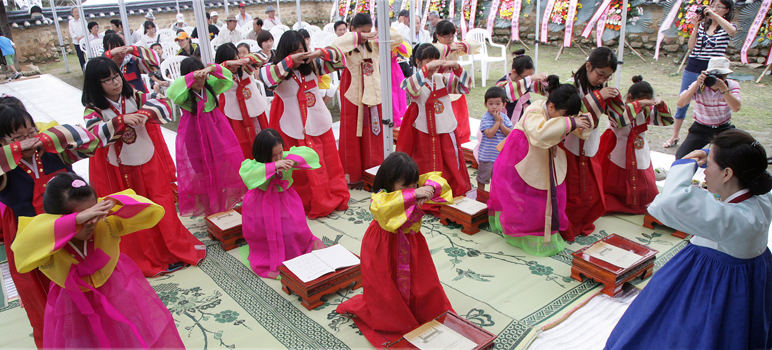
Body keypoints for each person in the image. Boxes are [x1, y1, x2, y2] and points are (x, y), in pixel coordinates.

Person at [604, 129, 772, 350]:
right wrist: (708, 152)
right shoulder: (761, 197)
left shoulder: (731, 219)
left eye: (708, 165)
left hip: (714, 281)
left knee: (675, 329)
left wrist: (684, 164)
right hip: (750, 276)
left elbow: (669, 202)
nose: (704, 170)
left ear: (727, 173)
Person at [12, 173, 185, 348]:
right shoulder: (47, 241)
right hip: (72, 303)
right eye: (84, 217)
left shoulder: (106, 224)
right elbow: (21, 251)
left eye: (94, 211)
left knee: (128, 337)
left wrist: (114, 202)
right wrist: (73, 222)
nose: (91, 222)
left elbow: (152, 211)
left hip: (115, 291)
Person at [81, 57, 206, 276]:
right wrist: (121, 121)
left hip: (146, 159)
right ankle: (142, 257)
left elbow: (163, 102)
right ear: (95, 84)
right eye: (107, 80)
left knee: (160, 201)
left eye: (117, 76)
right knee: (128, 211)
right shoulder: (93, 109)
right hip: (118, 169)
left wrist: (145, 113)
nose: (116, 82)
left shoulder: (134, 97)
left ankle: (170, 249)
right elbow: (93, 134)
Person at [0, 99, 98, 348]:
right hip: (30, 239)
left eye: (31, 132)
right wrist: (15, 150)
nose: (29, 141)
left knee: (83, 286)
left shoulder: (53, 151)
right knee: (44, 295)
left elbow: (89, 139)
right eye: (18, 137)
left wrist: (45, 139)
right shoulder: (6, 170)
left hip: (69, 231)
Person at [335, 152, 454, 346]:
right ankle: (394, 317)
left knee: (421, 282)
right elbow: (381, 207)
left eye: (413, 184)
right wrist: (415, 194)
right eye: (404, 185)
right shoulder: (382, 197)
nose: (411, 188)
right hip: (383, 245)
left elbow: (439, 182)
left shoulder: (414, 187)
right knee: (385, 285)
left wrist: (428, 188)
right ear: (389, 182)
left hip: (412, 242)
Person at [489, 79, 592, 256]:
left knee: (548, 196)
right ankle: (526, 232)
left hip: (542, 155)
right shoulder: (534, 110)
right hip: (522, 155)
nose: (566, 119)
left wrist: (574, 122)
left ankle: (543, 231)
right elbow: (540, 133)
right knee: (526, 197)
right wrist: (571, 124)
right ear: (551, 107)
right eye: (564, 115)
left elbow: (574, 122)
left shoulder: (554, 109)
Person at [259, 31, 350, 218]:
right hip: (291, 124)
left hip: (316, 120)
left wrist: (317, 53)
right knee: (299, 170)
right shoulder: (277, 69)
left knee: (328, 162)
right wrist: (291, 60)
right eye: (294, 51)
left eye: (302, 50)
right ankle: (305, 203)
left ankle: (333, 197)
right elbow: (267, 79)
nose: (300, 55)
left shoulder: (313, 65)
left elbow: (341, 59)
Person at [396, 43, 471, 215]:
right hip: (424, 129)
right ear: (418, 62)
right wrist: (426, 69)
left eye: (434, 59)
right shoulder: (413, 80)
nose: (432, 64)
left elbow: (465, 87)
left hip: (445, 126)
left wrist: (456, 67)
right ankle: (427, 191)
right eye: (427, 60)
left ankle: (450, 187)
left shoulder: (442, 79)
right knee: (425, 160)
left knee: (450, 159)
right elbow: (410, 88)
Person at [166, 57, 247, 217]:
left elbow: (227, 79)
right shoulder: (184, 96)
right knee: (201, 172)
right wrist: (192, 77)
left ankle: (223, 207)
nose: (200, 80)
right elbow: (172, 92)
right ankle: (210, 211)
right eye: (196, 78)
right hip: (194, 137)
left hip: (216, 135)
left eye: (202, 76)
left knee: (220, 168)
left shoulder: (210, 88)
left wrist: (211, 69)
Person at [239, 129, 325, 278]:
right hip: (261, 203)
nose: (279, 157)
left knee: (293, 230)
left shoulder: (285, 157)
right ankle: (272, 257)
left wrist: (292, 160)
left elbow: (310, 154)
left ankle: (295, 254)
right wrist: (274, 166)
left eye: (280, 152)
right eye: (274, 155)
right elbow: (248, 176)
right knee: (263, 233)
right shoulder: (253, 165)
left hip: (285, 200)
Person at [334, 13, 403, 185]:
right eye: (362, 31)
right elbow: (335, 44)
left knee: (375, 132)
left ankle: (375, 170)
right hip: (353, 92)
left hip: (373, 91)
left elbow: (398, 38)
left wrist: (375, 34)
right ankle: (354, 174)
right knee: (352, 133)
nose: (366, 34)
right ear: (353, 30)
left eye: (368, 30)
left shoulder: (375, 43)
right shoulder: (349, 43)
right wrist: (358, 37)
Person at [561, 47, 620, 241]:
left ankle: (581, 222)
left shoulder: (598, 88)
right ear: (588, 66)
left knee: (590, 189)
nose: (602, 80)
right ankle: (566, 225)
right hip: (569, 144)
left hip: (590, 143)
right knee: (571, 190)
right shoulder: (570, 86)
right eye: (601, 74)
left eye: (608, 77)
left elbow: (617, 117)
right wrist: (599, 96)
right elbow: (570, 113)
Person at [664, 0, 735, 149]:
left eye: (719, 7)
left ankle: (713, 134)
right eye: (713, 5)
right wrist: (696, 26)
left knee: (713, 100)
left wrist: (714, 15)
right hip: (694, 65)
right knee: (683, 100)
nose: (714, 9)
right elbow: (691, 47)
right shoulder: (703, 26)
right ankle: (675, 135)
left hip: (714, 69)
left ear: (727, 10)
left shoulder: (726, 27)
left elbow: (732, 31)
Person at [598, 76, 674, 215]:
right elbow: (619, 121)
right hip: (617, 148)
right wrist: (639, 104)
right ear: (630, 98)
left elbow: (668, 121)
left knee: (644, 182)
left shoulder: (645, 111)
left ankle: (639, 203)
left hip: (638, 150)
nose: (645, 105)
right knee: (612, 182)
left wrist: (660, 104)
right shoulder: (619, 109)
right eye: (642, 101)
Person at [675, 57, 740, 160]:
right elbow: (680, 104)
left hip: (723, 127)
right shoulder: (700, 85)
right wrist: (696, 84)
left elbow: (736, 108)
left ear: (726, 75)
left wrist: (724, 89)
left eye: (721, 75)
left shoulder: (732, 85)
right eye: (714, 75)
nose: (716, 79)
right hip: (701, 127)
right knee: (681, 157)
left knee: (734, 156)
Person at [215, 43, 271, 159]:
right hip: (234, 113)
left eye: (236, 58)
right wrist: (228, 64)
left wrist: (243, 60)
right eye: (230, 62)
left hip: (253, 109)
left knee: (261, 139)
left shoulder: (246, 67)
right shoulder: (222, 75)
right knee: (241, 144)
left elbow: (263, 58)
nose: (234, 65)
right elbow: (212, 71)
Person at [432, 20, 479, 144]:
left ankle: (460, 139)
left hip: (454, 85)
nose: (449, 39)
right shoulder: (434, 47)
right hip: (439, 85)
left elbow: (475, 44)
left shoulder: (454, 46)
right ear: (438, 36)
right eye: (446, 36)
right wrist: (448, 48)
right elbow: (434, 48)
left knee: (459, 115)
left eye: (452, 36)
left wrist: (462, 45)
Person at [496, 49, 548, 123]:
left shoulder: (526, 82)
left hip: (522, 120)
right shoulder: (501, 84)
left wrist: (545, 81)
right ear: (514, 72)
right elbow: (508, 92)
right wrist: (530, 78)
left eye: (531, 74)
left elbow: (544, 90)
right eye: (525, 76)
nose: (529, 79)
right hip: (504, 123)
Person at [476, 86, 513, 188]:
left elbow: (510, 133)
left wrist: (501, 124)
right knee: (482, 179)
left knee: (498, 180)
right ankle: (480, 196)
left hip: (500, 156)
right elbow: (489, 134)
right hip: (486, 156)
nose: (494, 107)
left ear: (504, 105)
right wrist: (497, 122)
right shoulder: (485, 118)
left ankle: (494, 197)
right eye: (491, 103)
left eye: (498, 104)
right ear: (485, 104)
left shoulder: (504, 118)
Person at [68, 7, 87, 71]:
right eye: (75, 12)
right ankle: (83, 69)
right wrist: (77, 37)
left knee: (87, 54)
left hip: (84, 40)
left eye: (78, 12)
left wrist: (81, 37)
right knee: (80, 56)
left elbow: (86, 30)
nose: (77, 13)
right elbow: (71, 32)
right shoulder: (71, 22)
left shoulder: (83, 21)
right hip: (76, 41)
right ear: (72, 13)